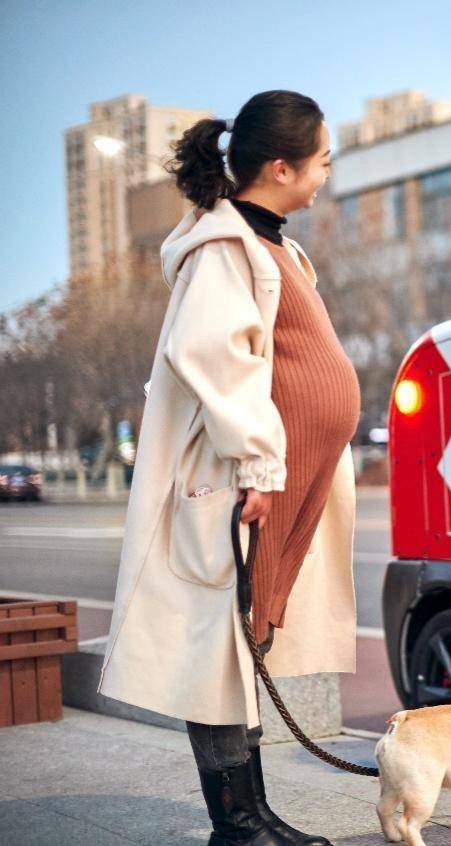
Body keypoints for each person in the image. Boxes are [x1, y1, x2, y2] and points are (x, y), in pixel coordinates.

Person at [98, 90, 360, 845]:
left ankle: (254, 815)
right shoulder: (225, 248)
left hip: (275, 479)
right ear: (281, 167)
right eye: (321, 162)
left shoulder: (269, 244)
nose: (325, 174)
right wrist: (257, 465)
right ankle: (237, 824)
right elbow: (215, 355)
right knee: (218, 644)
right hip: (238, 482)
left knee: (245, 639)